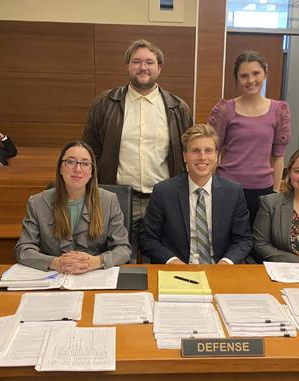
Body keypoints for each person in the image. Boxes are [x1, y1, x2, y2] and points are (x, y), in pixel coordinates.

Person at [82, 39, 193, 253]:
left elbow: (186, 156)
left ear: (159, 68)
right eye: (137, 61)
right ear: (127, 66)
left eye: (150, 62)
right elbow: (89, 152)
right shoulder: (104, 104)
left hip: (163, 199)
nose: (143, 67)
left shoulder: (178, 108)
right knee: (119, 259)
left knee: (163, 258)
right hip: (118, 198)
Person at [138, 124, 253, 265]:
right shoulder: (164, 192)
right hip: (177, 272)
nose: (202, 157)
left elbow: (243, 239)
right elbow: (147, 238)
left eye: (208, 151)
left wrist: (226, 262)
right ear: (185, 156)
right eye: (195, 151)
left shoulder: (233, 192)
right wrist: (172, 261)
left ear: (216, 156)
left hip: (219, 270)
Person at [15, 141, 131, 273]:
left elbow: (123, 249)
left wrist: (96, 261)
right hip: (55, 276)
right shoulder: (37, 203)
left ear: (92, 171)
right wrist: (55, 263)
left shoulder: (109, 201)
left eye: (85, 163)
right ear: (60, 168)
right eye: (70, 162)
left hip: (95, 275)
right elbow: (24, 250)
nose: (78, 169)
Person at [208, 50, 291, 224]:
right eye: (244, 75)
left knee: (258, 243)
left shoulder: (278, 110)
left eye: (256, 73)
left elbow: (278, 158)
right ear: (237, 78)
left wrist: (275, 193)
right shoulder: (225, 110)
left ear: (265, 74)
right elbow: (212, 152)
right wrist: (211, 186)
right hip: (227, 187)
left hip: (263, 190)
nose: (251, 80)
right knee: (227, 241)